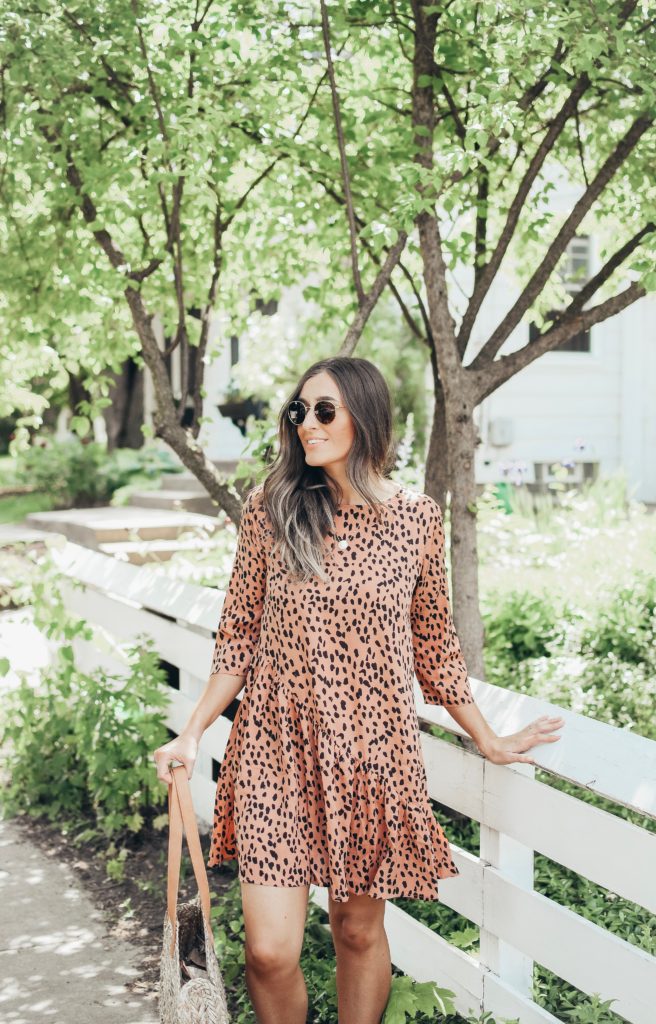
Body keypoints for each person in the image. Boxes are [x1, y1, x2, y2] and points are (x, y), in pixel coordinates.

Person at [153, 355, 564, 1024]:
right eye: (299, 411)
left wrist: (486, 737)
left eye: (324, 411)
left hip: (372, 753)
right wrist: (193, 731)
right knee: (270, 952)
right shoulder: (270, 509)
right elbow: (237, 637)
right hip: (272, 749)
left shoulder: (415, 519)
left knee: (357, 931)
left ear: (364, 417)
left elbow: (432, 641)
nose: (306, 424)